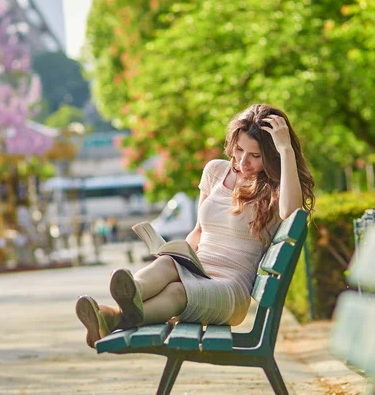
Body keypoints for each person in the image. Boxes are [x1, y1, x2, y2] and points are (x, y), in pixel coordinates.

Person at [75, 104, 315, 349]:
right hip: (199, 267)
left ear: (273, 154)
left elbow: (292, 213)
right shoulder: (215, 171)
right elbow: (199, 230)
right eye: (240, 150)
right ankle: (126, 298)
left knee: (178, 293)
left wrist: (286, 150)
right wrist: (176, 252)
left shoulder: (277, 186)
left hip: (229, 287)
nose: (243, 162)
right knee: (167, 263)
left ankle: (115, 312)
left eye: (255, 155)